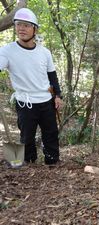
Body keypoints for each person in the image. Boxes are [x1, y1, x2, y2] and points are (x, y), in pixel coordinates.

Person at [0, 8, 63, 165]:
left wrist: (58, 95)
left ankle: (52, 162)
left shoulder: (44, 52)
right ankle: (28, 162)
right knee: (26, 137)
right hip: (25, 102)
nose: (21, 28)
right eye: (18, 24)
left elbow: (52, 76)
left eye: (26, 25)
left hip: (46, 100)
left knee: (51, 134)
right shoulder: (7, 51)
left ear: (34, 29)